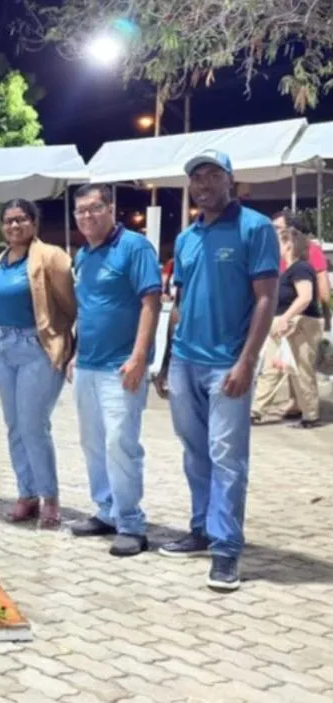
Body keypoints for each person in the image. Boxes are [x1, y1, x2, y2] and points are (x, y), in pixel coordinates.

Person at [153, 149, 279, 592]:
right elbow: (179, 304)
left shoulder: (255, 228)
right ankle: (201, 529)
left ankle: (226, 549)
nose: (202, 184)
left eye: (211, 175)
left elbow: (266, 298)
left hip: (228, 364)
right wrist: (165, 362)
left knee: (227, 456)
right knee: (195, 452)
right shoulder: (187, 237)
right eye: (196, 177)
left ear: (230, 179)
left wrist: (247, 360)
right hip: (185, 360)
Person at [68, 185, 162, 556]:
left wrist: (139, 357)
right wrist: (75, 353)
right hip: (87, 365)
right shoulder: (83, 255)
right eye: (80, 211)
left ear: (111, 208)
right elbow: (87, 308)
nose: (87, 216)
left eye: (94, 208)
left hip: (121, 366)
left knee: (120, 443)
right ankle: (106, 510)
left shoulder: (135, 247)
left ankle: (131, 523)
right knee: (92, 444)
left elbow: (151, 302)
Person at [0, 199, 76, 528]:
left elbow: (71, 305)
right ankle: (27, 493)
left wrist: (66, 345)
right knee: (14, 426)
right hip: (3, 347)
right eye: (8, 221)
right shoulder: (1, 260)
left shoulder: (50, 255)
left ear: (34, 223)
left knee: (34, 425)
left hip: (35, 347)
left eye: (21, 219)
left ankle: (49, 497)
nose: (14, 226)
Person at [251, 217, 324, 428]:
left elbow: (305, 297)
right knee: (272, 367)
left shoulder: (301, 268)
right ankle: (256, 410)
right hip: (285, 324)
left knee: (301, 370)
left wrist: (285, 318)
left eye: (279, 243)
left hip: (300, 324)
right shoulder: (289, 269)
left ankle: (310, 414)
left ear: (289, 244)